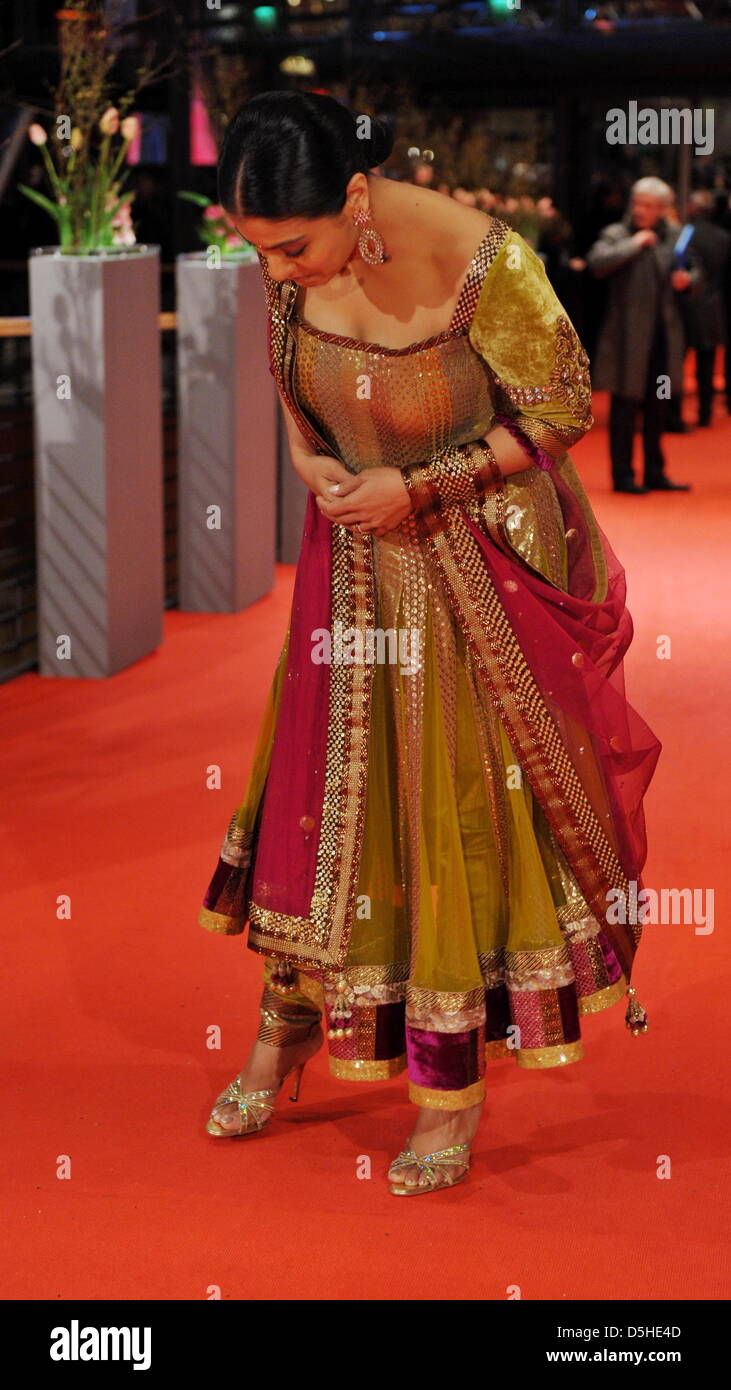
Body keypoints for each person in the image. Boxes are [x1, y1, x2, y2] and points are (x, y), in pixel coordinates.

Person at [197, 92, 661, 1196]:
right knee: (322, 801)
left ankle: (447, 1088)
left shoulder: (478, 260)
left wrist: (423, 483)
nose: (277, 272)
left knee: (450, 806)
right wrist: (312, 465)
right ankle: (289, 1026)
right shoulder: (291, 261)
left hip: (470, 565)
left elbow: (558, 408)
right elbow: (295, 396)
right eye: (255, 250)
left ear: (353, 199)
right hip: (352, 562)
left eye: (293, 248)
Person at [586, 176, 701, 493]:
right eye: (638, 203)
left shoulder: (675, 237)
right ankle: (622, 475)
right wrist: (634, 245)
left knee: (658, 404)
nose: (641, 210)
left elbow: (694, 270)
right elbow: (597, 263)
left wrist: (687, 279)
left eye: (649, 206)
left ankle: (655, 471)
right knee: (624, 406)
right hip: (628, 339)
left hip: (663, 339)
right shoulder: (617, 234)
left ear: (663, 210)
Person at [682, 190, 731, 427]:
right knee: (707, 362)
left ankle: (669, 411)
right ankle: (705, 412)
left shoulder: (685, 234)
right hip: (713, 305)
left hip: (684, 304)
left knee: (675, 361)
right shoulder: (723, 237)